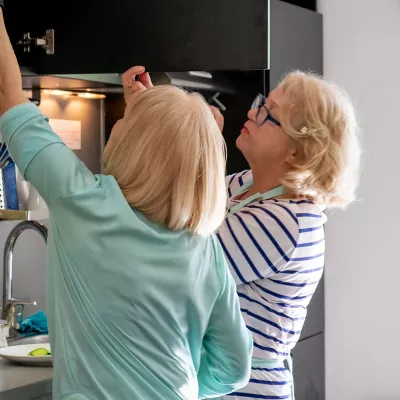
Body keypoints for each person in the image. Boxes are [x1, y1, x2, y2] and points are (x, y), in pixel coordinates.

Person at [0, 7, 253, 400]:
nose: (117, 123)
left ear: (137, 149)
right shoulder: (205, 250)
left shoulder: (82, 200)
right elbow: (234, 367)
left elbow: (6, 93)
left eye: (124, 122)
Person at [210, 72, 361, 399]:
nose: (252, 113)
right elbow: (186, 206)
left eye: (268, 114)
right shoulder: (248, 185)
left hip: (242, 388)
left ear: (296, 151)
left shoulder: (287, 222)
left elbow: (184, 259)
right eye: (260, 104)